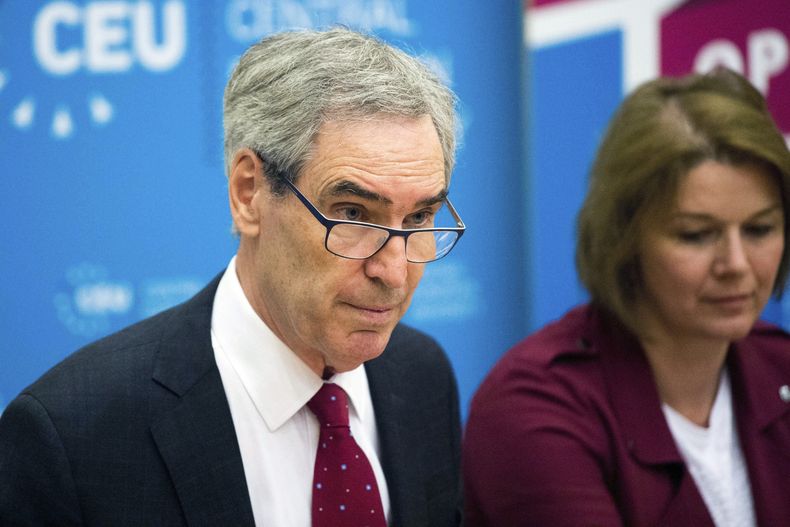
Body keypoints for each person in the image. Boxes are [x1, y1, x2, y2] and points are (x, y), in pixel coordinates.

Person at [0, 28, 466, 527]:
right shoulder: (73, 435)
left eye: (419, 219)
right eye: (352, 213)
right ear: (249, 193)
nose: (394, 272)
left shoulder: (421, 376)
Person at [463, 68, 790, 526]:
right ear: (625, 237)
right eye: (697, 235)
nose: (736, 263)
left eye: (760, 229)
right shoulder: (533, 406)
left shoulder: (779, 363)